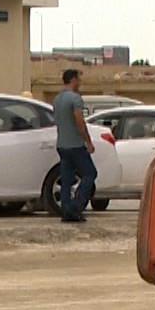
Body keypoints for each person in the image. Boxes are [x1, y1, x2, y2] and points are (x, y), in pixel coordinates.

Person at [52, 69, 96, 222]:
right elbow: (79, 121)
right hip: (76, 145)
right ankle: (77, 205)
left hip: (62, 144)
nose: (79, 83)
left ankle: (66, 209)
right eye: (78, 79)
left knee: (66, 178)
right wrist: (88, 141)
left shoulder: (57, 99)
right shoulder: (75, 99)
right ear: (73, 80)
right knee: (90, 173)